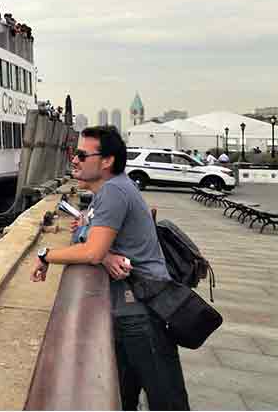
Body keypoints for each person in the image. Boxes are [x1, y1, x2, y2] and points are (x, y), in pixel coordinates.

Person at [32, 126, 189, 411]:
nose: (74, 160)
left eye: (81, 154)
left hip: (142, 309)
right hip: (131, 307)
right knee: (124, 395)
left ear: (107, 161)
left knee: (167, 399)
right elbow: (88, 236)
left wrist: (46, 255)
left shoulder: (114, 191)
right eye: (73, 153)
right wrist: (102, 251)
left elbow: (91, 249)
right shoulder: (110, 191)